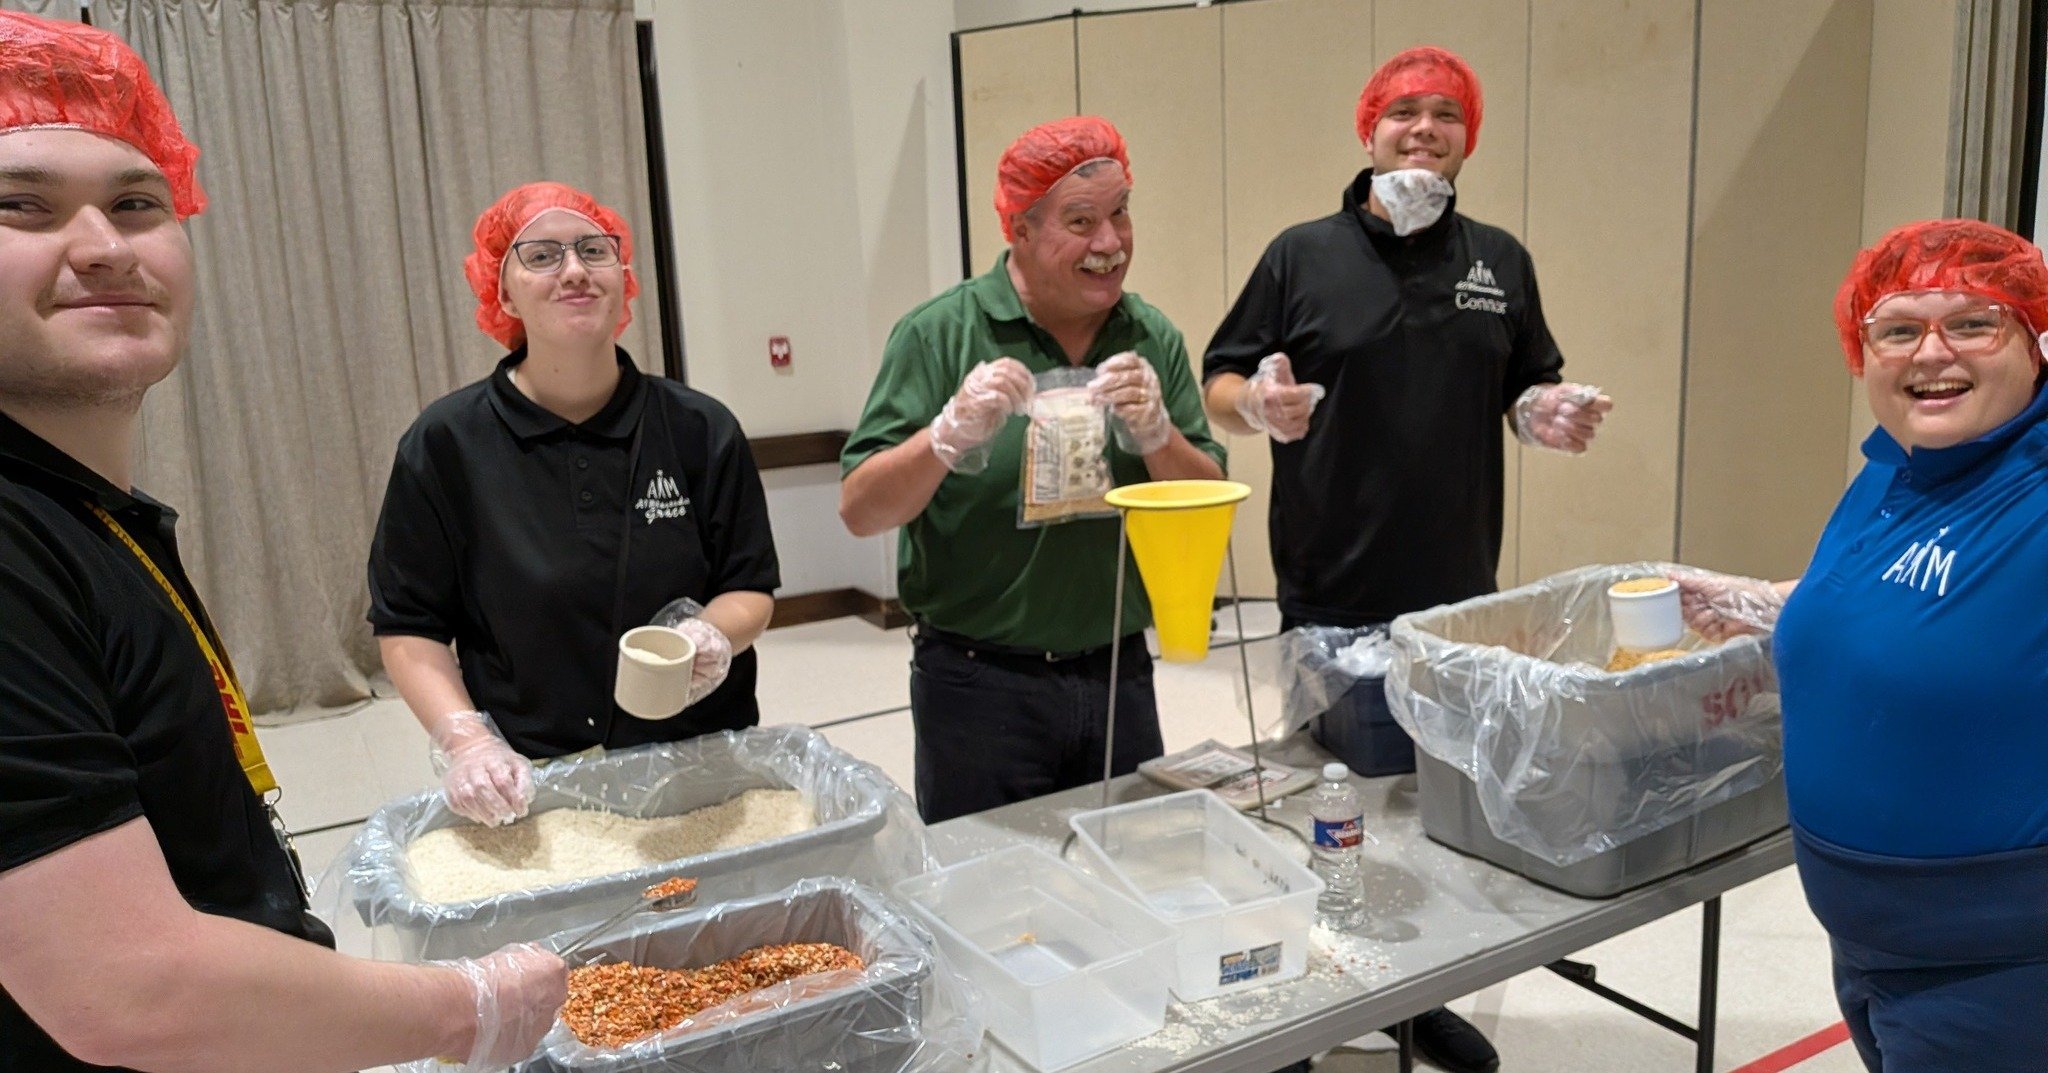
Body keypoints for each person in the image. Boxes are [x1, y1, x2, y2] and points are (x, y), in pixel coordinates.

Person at [0, 12, 563, 1071]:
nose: (102, 246)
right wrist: (463, 1005)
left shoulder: (89, 519)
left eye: (136, 202)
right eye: (20, 204)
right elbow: (130, 986)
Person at [1201, 46, 1613, 1073]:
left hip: (1457, 601)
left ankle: (1414, 996)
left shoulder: (1498, 260)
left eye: (1443, 116)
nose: (1421, 131)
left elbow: (1527, 382)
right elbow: (1218, 378)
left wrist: (1543, 411)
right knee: (1348, 810)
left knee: (1437, 816)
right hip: (1332, 589)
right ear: (1366, 129)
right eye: (1400, 114)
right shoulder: (1300, 253)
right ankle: (1331, 990)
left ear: (1466, 138)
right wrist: (1255, 405)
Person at [1674, 219, 2048, 1073]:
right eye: (1898, 328)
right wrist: (1757, 601)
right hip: (1868, 941)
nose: (1931, 352)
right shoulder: (1901, 466)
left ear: (2034, 335)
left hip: (2002, 974)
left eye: (1973, 321)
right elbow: (1898, 597)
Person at [839, 115, 1226, 824]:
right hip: (980, 683)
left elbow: (1205, 503)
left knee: (1132, 876)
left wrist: (1157, 433)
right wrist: (945, 434)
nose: (1109, 244)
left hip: (1117, 673)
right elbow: (861, 509)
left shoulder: (1150, 335)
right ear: (1019, 229)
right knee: (990, 899)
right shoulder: (939, 333)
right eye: (1080, 222)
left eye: (1120, 214)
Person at [369, 181, 780, 827]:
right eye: (541, 255)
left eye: (594, 250)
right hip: (534, 782)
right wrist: (469, 741)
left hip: (701, 768)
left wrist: (712, 633)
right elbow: (410, 628)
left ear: (623, 278)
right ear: (502, 292)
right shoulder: (447, 443)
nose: (574, 271)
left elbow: (750, 588)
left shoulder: (700, 428)